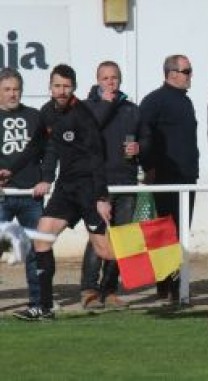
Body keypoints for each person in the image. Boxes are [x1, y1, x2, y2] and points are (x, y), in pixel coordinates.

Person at [1, 64, 114, 320]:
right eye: (57, 86)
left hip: (87, 189)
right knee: (41, 239)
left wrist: (101, 198)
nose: (61, 91)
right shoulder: (47, 112)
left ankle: (159, 257)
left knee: (105, 251)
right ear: (50, 87)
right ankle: (44, 307)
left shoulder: (83, 116)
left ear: (73, 87)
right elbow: (35, 147)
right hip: (65, 188)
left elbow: (98, 158)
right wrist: (12, 171)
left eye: (66, 86)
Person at [79, 61, 150, 309]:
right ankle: (88, 289)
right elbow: (89, 131)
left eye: (114, 78)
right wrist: (107, 104)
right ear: (97, 81)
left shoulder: (132, 109)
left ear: (120, 80)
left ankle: (109, 289)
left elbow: (147, 138)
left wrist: (140, 147)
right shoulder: (87, 108)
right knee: (97, 237)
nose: (110, 82)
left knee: (121, 239)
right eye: (105, 78)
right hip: (98, 182)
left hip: (126, 181)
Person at [140, 54, 199, 303]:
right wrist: (149, 167)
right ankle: (165, 287)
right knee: (165, 235)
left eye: (189, 70)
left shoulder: (185, 102)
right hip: (165, 179)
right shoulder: (154, 101)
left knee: (181, 234)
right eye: (186, 71)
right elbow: (143, 135)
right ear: (171, 73)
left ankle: (176, 287)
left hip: (187, 178)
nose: (189, 75)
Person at [0, 68, 56, 319]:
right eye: (7, 89)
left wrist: (46, 179)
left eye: (16, 89)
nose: (13, 94)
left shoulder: (35, 118)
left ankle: (39, 304)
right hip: (2, 195)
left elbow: (49, 153)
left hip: (30, 195)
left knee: (37, 251)